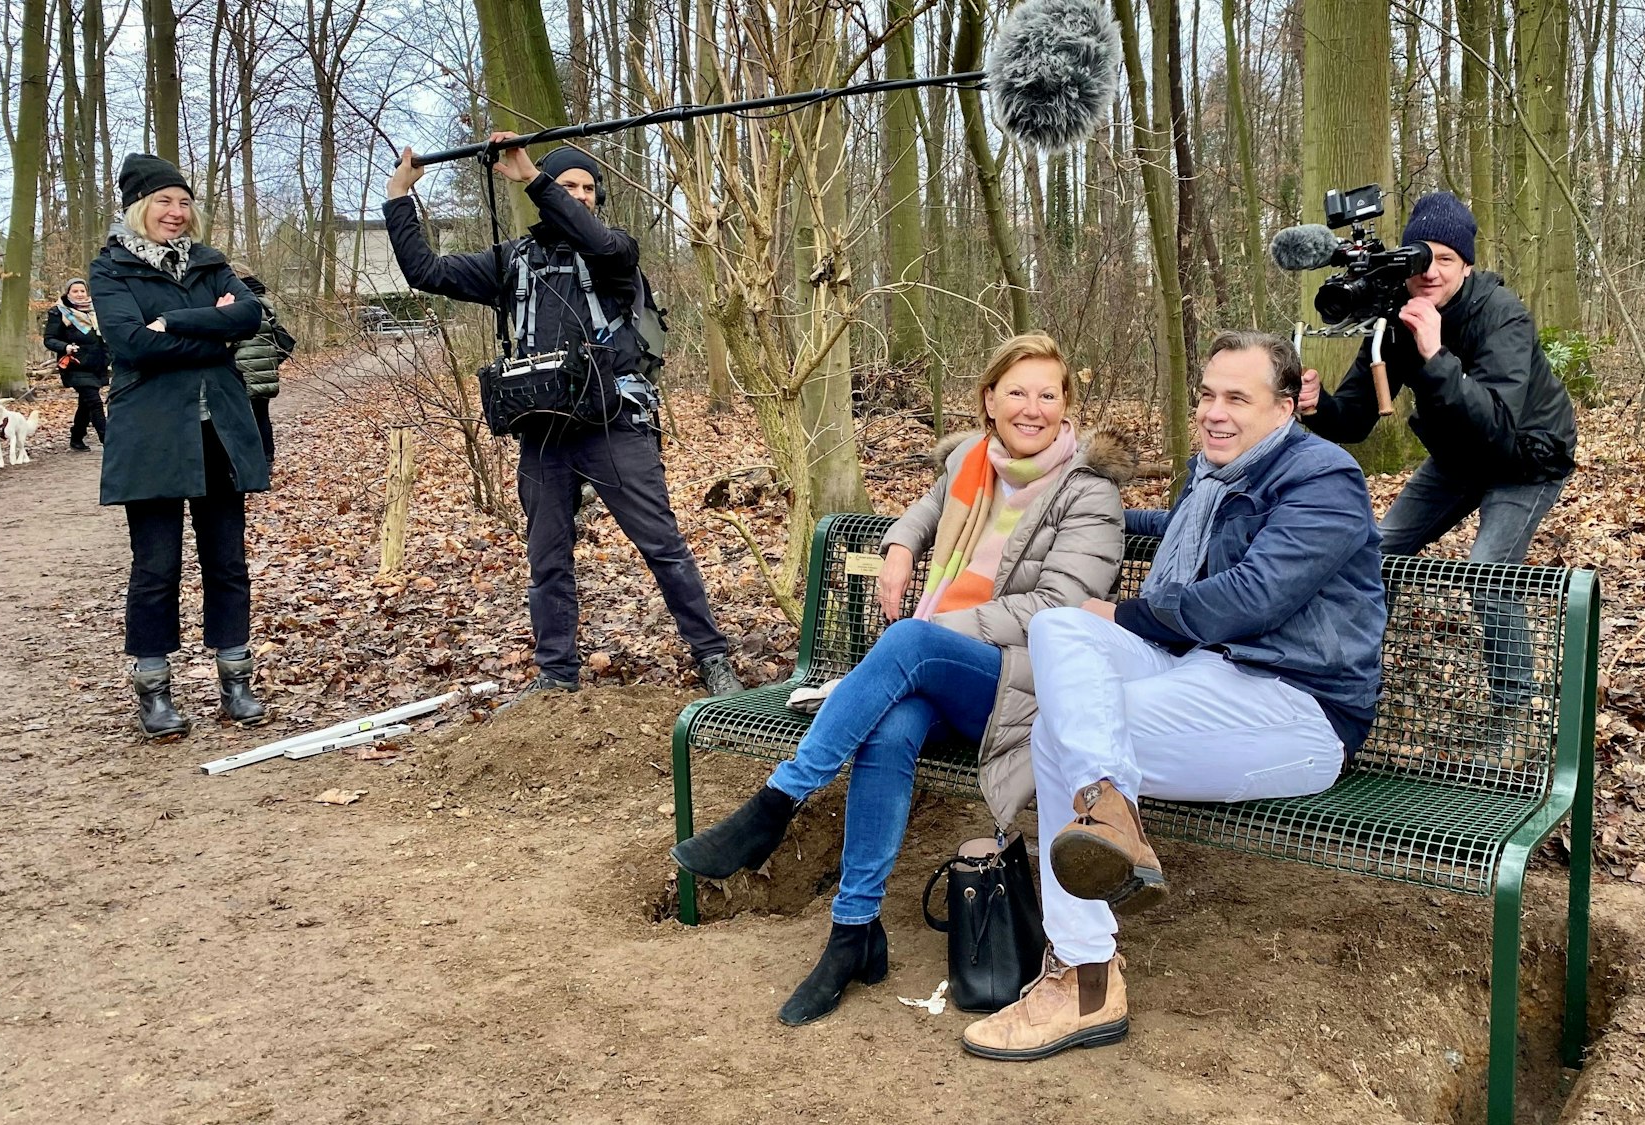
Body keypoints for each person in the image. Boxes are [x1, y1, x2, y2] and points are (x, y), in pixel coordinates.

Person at [670, 334, 1134, 1027]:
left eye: (1047, 394)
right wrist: (897, 549)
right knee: (890, 723)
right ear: (988, 400)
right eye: (1016, 391)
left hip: (1023, 682)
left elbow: (1058, 611)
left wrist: (943, 629)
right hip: (940, 667)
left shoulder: (1089, 494)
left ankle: (776, 803)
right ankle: (853, 933)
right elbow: (924, 511)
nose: (1031, 407)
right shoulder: (973, 466)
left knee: (911, 642)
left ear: (1067, 405)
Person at [960, 330, 1385, 1061]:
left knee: (1061, 731)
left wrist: (1125, 614)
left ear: (1286, 407)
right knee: (1061, 627)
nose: (1214, 413)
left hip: (1296, 706)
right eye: (1207, 396)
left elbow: (1252, 596)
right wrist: (1064, 508)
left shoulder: (1325, 478)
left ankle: (1085, 979)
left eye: (1236, 399)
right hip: (1199, 671)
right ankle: (1110, 813)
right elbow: (1182, 547)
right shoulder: (1215, 473)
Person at [383, 136, 744, 700]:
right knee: (546, 560)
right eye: (568, 185)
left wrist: (533, 177)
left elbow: (593, 236)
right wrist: (399, 198)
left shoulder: (614, 255)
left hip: (615, 427)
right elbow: (426, 271)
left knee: (662, 546)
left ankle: (713, 657)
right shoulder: (511, 264)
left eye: (587, 189)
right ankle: (556, 674)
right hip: (544, 436)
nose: (579, 197)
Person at [1298, 190, 1576, 713]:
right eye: (1420, 256)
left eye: (1445, 259)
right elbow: (1356, 418)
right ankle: (1353, 690)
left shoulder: (1503, 317)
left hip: (1526, 457)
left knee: (1490, 576)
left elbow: (1497, 424)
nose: (1431, 271)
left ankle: (1515, 718)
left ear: (1466, 267)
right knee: (1374, 555)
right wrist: (1316, 405)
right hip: (1456, 456)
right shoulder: (1397, 316)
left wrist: (1435, 353)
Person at [90, 153, 273, 739]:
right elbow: (131, 346)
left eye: (184, 202)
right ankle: (154, 689)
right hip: (151, 436)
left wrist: (174, 324)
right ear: (139, 208)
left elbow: (250, 316)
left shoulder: (210, 262)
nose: (176, 212)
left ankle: (235, 679)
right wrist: (211, 332)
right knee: (156, 566)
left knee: (227, 562)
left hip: (217, 431)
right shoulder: (110, 270)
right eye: (164, 202)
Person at [43, 278, 110, 451]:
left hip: (97, 365)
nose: (79, 294)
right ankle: (108, 440)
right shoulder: (59, 312)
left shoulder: (97, 311)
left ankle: (76, 438)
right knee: (94, 402)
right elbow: (49, 339)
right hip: (75, 365)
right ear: (68, 293)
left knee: (86, 404)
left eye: (82, 291)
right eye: (75, 291)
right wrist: (65, 347)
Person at [232, 273, 293, 462]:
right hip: (265, 368)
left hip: (242, 369)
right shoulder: (266, 305)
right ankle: (267, 458)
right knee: (262, 415)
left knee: (241, 418)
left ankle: (249, 461)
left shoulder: (241, 306)